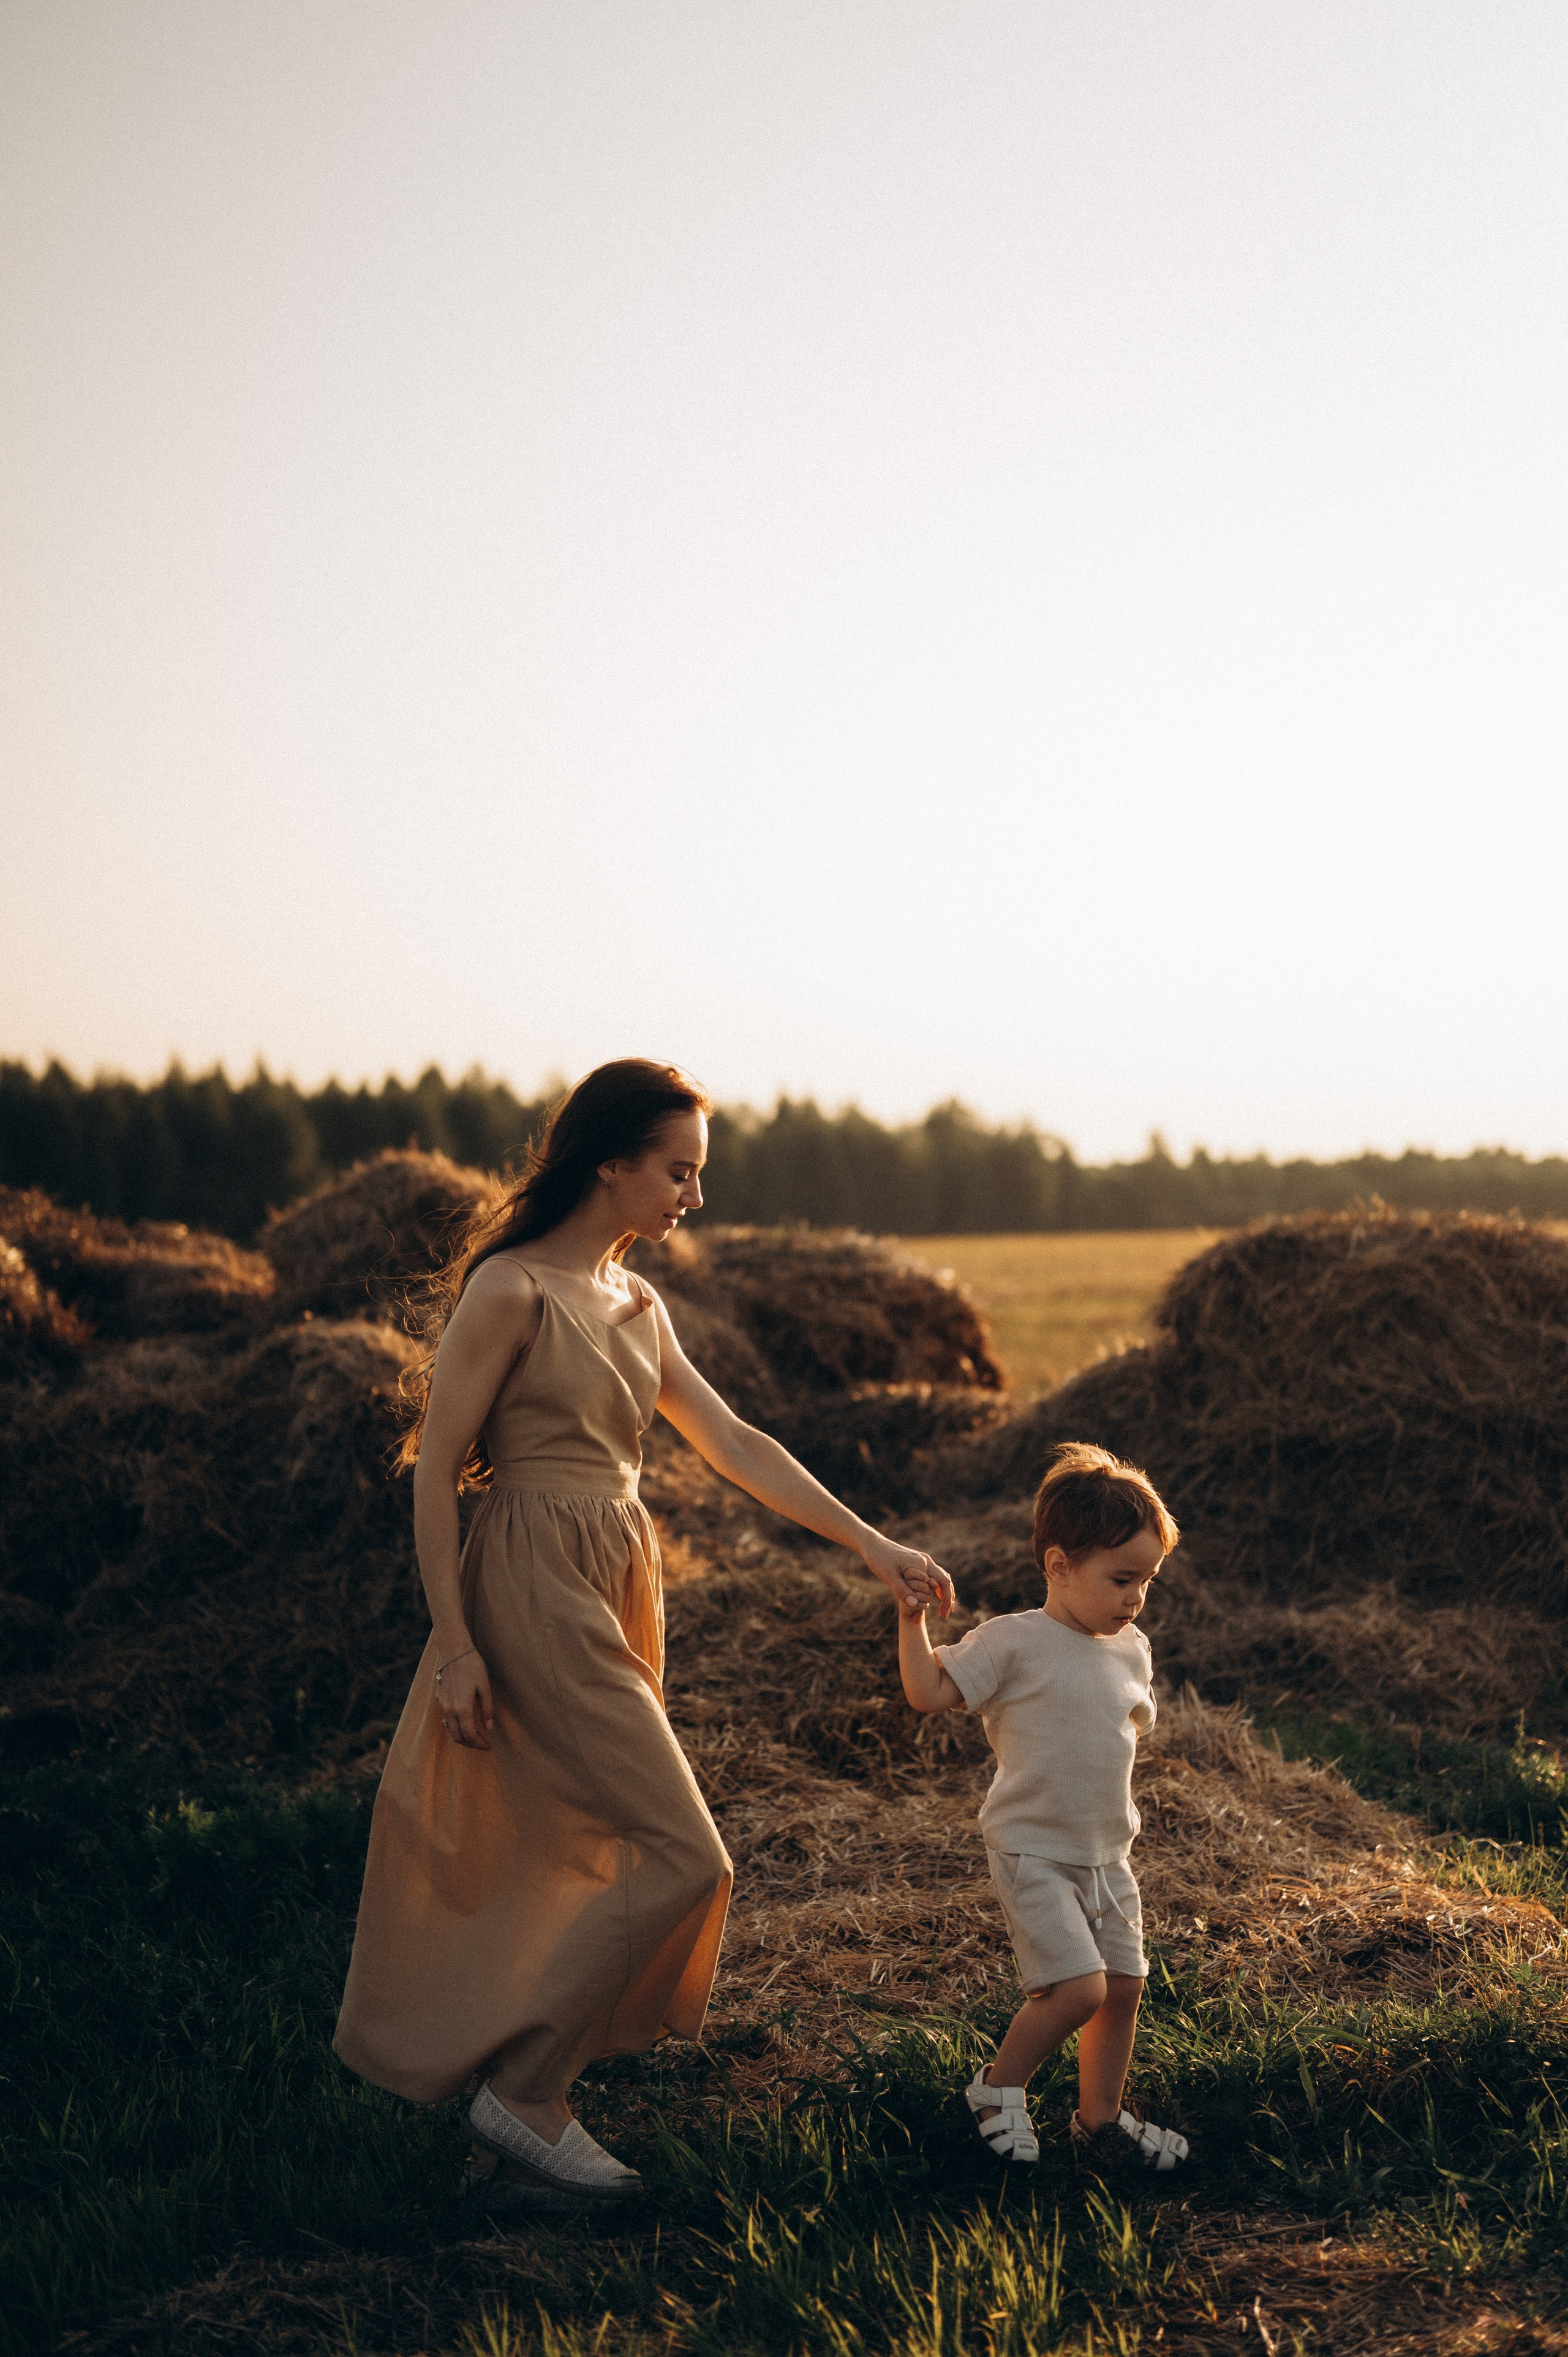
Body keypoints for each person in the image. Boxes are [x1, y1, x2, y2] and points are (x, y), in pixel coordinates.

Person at [334, 1058, 951, 2203]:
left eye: (698, 1174)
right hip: (530, 1576)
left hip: (615, 1572)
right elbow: (432, 1476)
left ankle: (508, 2146)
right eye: (678, 1171)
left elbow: (736, 1441)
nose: (693, 1197)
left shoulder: (640, 1303)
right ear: (610, 1160)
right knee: (686, 1850)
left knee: (609, 1837)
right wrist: (457, 1643)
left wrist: (874, 1545)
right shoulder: (512, 1290)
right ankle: (525, 2094)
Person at [896, 1440, 1189, 2178]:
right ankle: (997, 2087)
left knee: (1122, 1987)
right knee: (1077, 1988)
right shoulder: (1013, 1641)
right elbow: (929, 1692)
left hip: (1108, 1852)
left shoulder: (1131, 1649)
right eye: (1121, 1578)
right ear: (1058, 1564)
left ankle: (1100, 2121)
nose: (1134, 1598)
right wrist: (911, 1624)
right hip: (1033, 1849)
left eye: (1146, 1582)